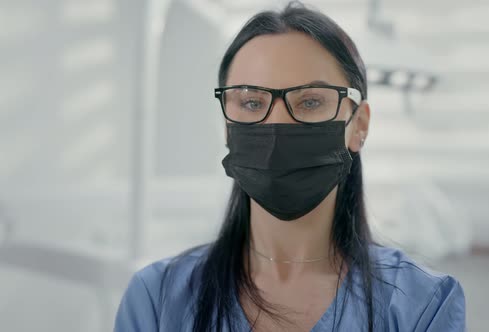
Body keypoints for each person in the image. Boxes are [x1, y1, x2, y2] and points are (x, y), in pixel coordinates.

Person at [114, 2, 465, 331]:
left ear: (359, 126)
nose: (276, 127)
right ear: (226, 126)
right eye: (252, 102)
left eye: (311, 101)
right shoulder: (155, 300)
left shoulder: (421, 307)